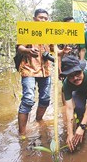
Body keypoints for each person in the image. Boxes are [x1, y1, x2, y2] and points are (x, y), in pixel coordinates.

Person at [17, 8, 53, 136]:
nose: (43, 20)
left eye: (45, 18)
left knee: (45, 99)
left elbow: (55, 51)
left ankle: (39, 121)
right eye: (40, 17)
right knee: (28, 99)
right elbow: (20, 47)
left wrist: (63, 51)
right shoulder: (28, 31)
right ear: (34, 19)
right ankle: (22, 134)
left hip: (45, 71)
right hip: (29, 69)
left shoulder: (50, 34)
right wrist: (28, 51)